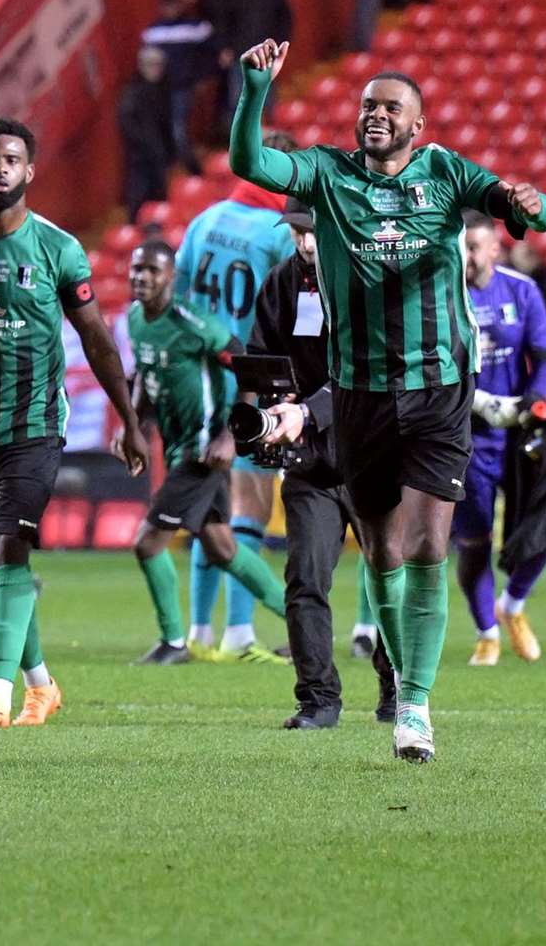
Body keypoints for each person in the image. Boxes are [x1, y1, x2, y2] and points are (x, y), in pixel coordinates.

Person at [230, 36, 546, 762]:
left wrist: (528, 205)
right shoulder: (326, 173)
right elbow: (250, 164)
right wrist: (256, 91)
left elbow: (527, 214)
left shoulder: (442, 171)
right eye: (367, 105)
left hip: (438, 389)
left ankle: (414, 705)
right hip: (358, 396)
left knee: (427, 545)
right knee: (378, 552)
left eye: (391, 108)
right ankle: (398, 678)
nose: (375, 115)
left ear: (417, 124)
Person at [0, 115, 149, 726]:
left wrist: (130, 418)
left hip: (35, 423)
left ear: (29, 171)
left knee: (8, 547)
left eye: (10, 159)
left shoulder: (58, 248)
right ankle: (41, 683)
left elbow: (97, 338)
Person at [247, 205, 398, 728]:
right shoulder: (281, 283)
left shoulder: (365, 277)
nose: (306, 244)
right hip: (310, 461)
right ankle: (317, 701)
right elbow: (259, 355)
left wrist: (307, 408)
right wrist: (269, 403)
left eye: (313, 234)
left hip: (372, 454)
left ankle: (396, 688)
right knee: (306, 580)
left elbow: (371, 368)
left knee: (390, 578)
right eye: (296, 233)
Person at [124, 239, 288, 664]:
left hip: (202, 453)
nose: (141, 277)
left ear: (171, 277)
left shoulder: (194, 324)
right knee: (222, 549)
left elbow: (247, 364)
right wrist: (135, 424)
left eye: (151, 270)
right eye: (136, 269)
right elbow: (144, 375)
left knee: (147, 544)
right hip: (179, 447)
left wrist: (234, 435)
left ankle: (174, 643)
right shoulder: (135, 320)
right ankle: (304, 622)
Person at [172, 142, 298, 664]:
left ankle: (199, 631)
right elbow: (290, 307)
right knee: (250, 506)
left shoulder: (206, 218)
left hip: (194, 377)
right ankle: (240, 633)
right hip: (248, 378)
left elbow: (176, 296)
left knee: (208, 505)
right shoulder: (280, 232)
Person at [453, 213, 546, 665]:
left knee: (541, 527)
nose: (467, 258)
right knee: (473, 541)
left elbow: (545, 356)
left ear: (495, 248)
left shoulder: (521, 290)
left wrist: (533, 400)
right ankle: (487, 632)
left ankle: (512, 605)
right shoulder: (442, 294)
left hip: (518, 432)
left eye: (474, 247)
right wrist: (474, 401)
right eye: (461, 248)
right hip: (466, 436)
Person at [140, 0, 216, 176]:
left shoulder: (196, 27)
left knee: (178, 129)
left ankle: (192, 170)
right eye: (167, 6)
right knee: (166, 129)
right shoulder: (153, 32)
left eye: (173, 5)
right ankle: (174, 170)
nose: (170, 10)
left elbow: (209, 54)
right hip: (160, 92)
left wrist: (201, 78)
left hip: (183, 87)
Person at [118, 46, 175, 221]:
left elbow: (166, 122)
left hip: (159, 154)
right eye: (151, 65)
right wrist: (145, 144)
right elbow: (127, 124)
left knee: (159, 196)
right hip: (140, 155)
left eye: (158, 65)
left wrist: (168, 148)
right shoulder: (132, 92)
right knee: (138, 195)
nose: (155, 69)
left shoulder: (163, 89)